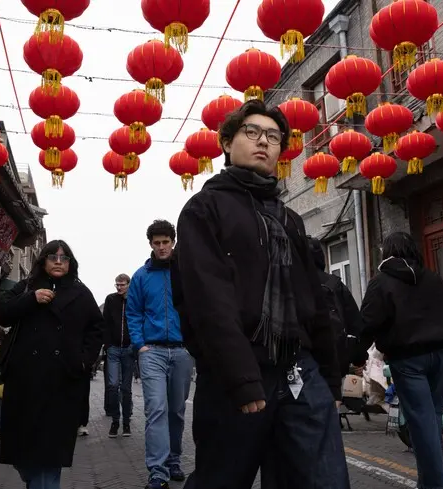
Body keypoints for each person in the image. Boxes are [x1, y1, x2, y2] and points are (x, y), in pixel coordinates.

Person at [172, 99, 350, 489]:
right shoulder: (204, 209)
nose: (264, 142)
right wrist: (241, 378)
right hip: (237, 373)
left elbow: (315, 301)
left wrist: (331, 379)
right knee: (222, 478)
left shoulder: (288, 218)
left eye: (273, 137)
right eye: (251, 132)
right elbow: (207, 301)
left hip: (300, 369)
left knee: (321, 479)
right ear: (226, 142)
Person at [357, 231, 443, 489]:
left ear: (387, 252)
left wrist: (357, 356)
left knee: (422, 421)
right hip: (439, 357)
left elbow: (367, 323)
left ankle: (436, 485)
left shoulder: (381, 283)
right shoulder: (434, 280)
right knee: (432, 419)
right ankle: (428, 482)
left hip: (407, 360)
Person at [0, 240, 104, 489]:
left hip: (62, 380)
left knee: (49, 454)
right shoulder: (27, 287)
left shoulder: (81, 292)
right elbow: (1, 313)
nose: (57, 261)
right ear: (42, 261)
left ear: (70, 264)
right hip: (24, 379)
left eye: (63, 258)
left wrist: (84, 361)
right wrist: (31, 299)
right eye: (52, 257)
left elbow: (97, 328)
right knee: (24, 453)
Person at [127, 220, 194, 489]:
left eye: (166, 242)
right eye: (157, 243)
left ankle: (174, 460)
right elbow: (133, 313)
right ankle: (157, 470)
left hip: (182, 351)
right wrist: (140, 344)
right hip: (152, 351)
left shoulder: (186, 271)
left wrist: (193, 342)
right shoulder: (141, 276)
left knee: (177, 412)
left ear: (173, 242)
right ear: (151, 245)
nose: (162, 247)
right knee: (156, 409)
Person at [307, 238, 364, 386]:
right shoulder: (335, 284)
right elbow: (355, 324)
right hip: (336, 359)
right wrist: (359, 358)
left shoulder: (294, 284)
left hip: (307, 361)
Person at [103, 273, 135, 438]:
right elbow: (105, 322)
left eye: (122, 284)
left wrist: (135, 345)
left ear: (129, 284)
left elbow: (138, 321)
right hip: (114, 349)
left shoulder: (134, 300)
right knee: (112, 386)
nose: (119, 287)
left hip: (129, 350)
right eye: (117, 284)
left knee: (126, 389)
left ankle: (126, 424)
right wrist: (107, 345)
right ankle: (115, 421)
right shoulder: (110, 300)